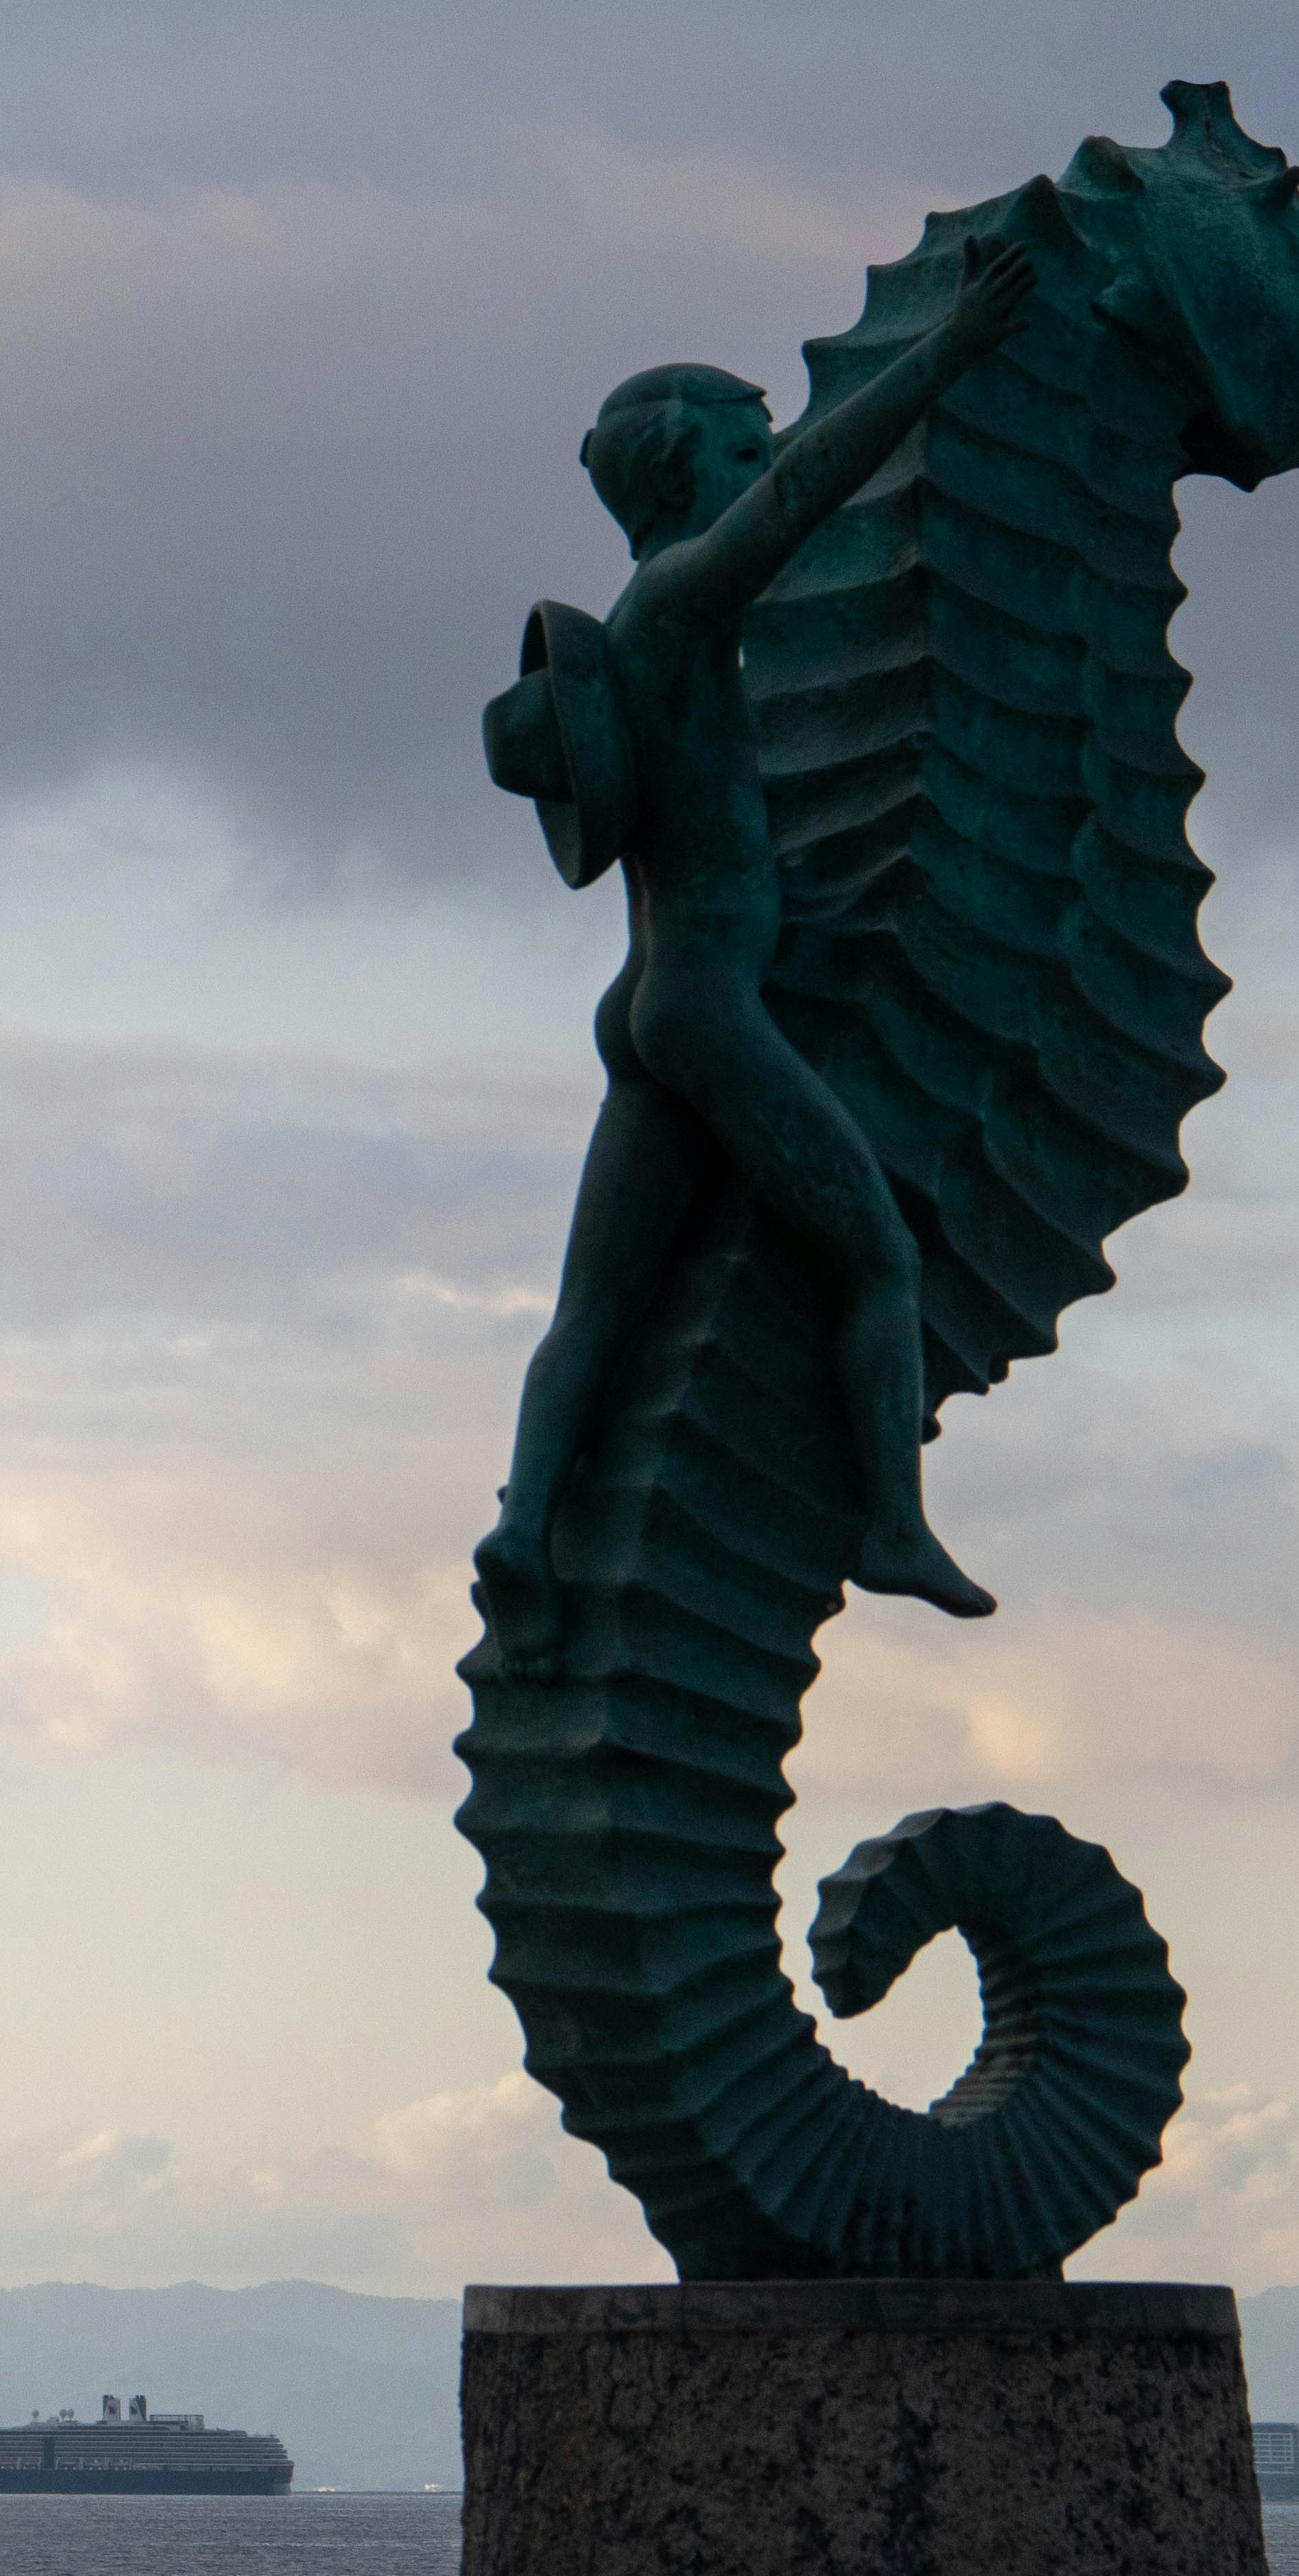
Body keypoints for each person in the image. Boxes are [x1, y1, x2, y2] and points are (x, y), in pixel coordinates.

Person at [472, 232, 1040, 1675]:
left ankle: (523, 1525)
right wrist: (953, 350)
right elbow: (804, 497)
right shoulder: (675, 602)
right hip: (709, 1007)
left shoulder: (641, 638)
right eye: (739, 443)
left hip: (653, 1003)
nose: (762, 454)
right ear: (684, 476)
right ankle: (893, 1522)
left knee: (592, 1306)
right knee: (880, 1255)